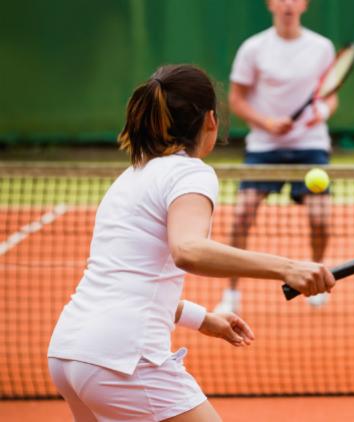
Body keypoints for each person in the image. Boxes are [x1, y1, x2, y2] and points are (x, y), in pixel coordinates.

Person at [47, 64, 335, 422]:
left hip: (69, 353)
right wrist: (287, 267)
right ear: (210, 120)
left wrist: (203, 319)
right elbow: (188, 250)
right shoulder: (191, 173)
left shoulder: (132, 175)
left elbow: (129, 280)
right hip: (124, 360)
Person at [214, 0, 338, 313]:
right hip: (264, 148)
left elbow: (329, 94)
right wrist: (267, 123)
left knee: (320, 218)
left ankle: (316, 276)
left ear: (304, 5)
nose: (287, 4)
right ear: (270, 4)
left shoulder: (321, 47)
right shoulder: (253, 48)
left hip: (310, 146)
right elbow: (237, 99)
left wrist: (320, 112)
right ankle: (231, 294)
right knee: (242, 216)